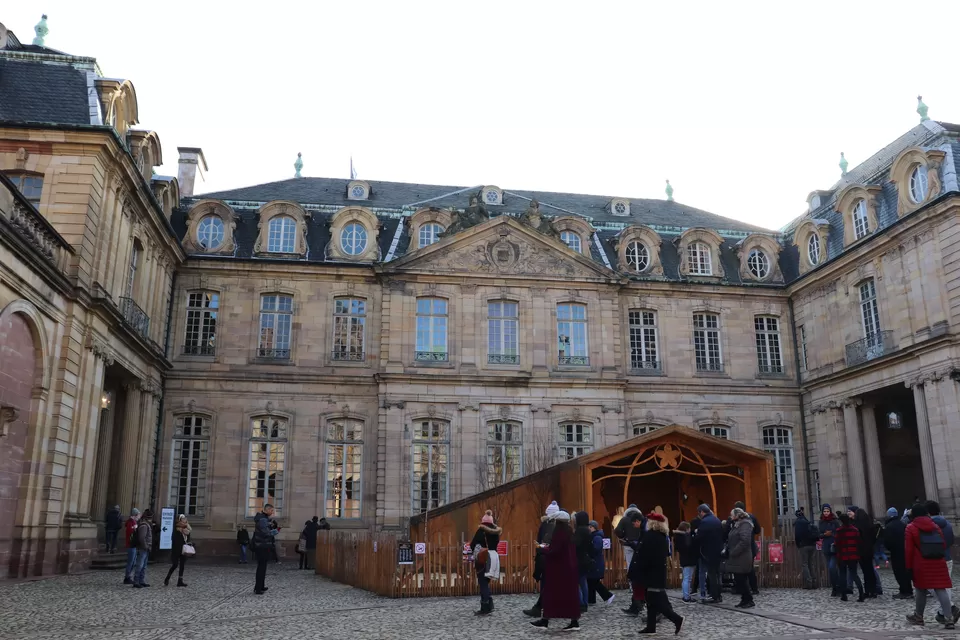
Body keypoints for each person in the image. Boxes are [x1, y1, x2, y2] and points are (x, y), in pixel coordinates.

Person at [904, 502, 958, 628]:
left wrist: (908, 567)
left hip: (921, 563)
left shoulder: (911, 527)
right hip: (938, 561)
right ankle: (949, 618)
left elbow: (909, 550)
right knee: (940, 589)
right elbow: (943, 544)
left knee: (920, 589)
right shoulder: (935, 526)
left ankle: (918, 616)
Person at [531, 510, 581, 631]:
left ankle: (546, 620)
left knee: (551, 594)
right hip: (568, 568)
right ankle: (572, 620)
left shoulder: (560, 533)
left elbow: (555, 550)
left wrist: (541, 549)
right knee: (568, 596)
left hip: (558, 570)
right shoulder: (569, 532)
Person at [636, 512, 684, 634]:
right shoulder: (662, 536)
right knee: (650, 601)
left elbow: (645, 555)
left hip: (650, 572)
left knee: (655, 601)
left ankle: (677, 619)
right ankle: (651, 626)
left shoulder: (650, 536)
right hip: (657, 572)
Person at [524, 501, 561, 618]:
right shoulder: (558, 525)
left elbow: (545, 543)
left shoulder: (548, 525)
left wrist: (540, 549)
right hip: (553, 558)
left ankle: (542, 608)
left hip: (548, 558)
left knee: (547, 584)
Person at [470, 510, 502, 616]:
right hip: (494, 557)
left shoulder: (481, 531)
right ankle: (489, 604)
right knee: (487, 581)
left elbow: (473, 544)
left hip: (483, 558)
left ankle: (486, 606)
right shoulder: (496, 532)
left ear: (483, 522)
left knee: (482, 582)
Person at [725, 508, 756, 608]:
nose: (730, 516)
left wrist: (734, 551)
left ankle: (749, 599)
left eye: (732, 514)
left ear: (737, 515)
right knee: (739, 579)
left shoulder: (745, 524)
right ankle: (744, 599)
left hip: (742, 556)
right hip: (737, 556)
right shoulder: (737, 524)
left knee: (741, 579)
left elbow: (745, 541)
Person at [694, 504, 723, 604]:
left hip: (708, 552)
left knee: (711, 574)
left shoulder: (705, 522)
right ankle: (719, 595)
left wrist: (696, 533)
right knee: (717, 573)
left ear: (702, 512)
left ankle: (714, 595)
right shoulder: (717, 520)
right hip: (718, 551)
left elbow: (699, 537)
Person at [834, 512, 865, 602]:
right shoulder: (855, 530)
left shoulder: (839, 531)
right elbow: (859, 542)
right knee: (854, 575)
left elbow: (837, 544)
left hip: (842, 555)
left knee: (843, 575)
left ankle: (844, 595)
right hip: (853, 555)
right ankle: (861, 594)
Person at [621, 511, 648, 616]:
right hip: (641, 562)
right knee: (639, 586)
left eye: (634, 523)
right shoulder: (644, 529)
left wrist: (632, 544)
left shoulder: (645, 530)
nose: (633, 526)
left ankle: (637, 608)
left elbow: (643, 547)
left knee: (641, 587)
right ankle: (635, 607)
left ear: (638, 521)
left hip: (642, 563)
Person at [882, 507, 911, 599]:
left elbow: (887, 541)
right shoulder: (902, 524)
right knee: (905, 572)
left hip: (896, 552)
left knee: (899, 573)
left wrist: (889, 548)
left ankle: (904, 591)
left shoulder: (889, 526)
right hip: (905, 551)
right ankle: (908, 590)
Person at [252, 504, 279, 595]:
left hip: (262, 545)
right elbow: (266, 533)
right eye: (271, 511)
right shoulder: (263, 519)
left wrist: (272, 525)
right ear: (267, 510)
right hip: (262, 545)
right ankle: (258, 588)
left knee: (262, 567)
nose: (272, 513)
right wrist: (277, 530)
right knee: (261, 567)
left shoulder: (263, 519)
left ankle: (260, 586)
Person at [587, 520, 614, 606]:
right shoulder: (594, 536)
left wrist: (588, 551)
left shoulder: (597, 537)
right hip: (595, 562)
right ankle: (591, 600)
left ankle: (608, 595)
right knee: (591, 580)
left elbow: (596, 549)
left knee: (594, 581)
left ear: (593, 527)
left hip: (596, 563)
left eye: (590, 527)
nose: (588, 528)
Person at [852, 507, 878, 597]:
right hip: (869, 550)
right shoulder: (870, 525)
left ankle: (867, 590)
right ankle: (873, 590)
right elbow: (874, 538)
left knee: (865, 572)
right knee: (870, 570)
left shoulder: (856, 526)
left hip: (861, 550)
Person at [818, 504, 842, 596]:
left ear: (830, 511)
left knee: (833, 567)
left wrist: (832, 534)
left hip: (835, 546)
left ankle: (838, 586)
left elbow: (839, 532)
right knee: (830, 569)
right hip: (826, 547)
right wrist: (824, 535)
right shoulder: (821, 522)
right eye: (824, 511)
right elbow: (819, 534)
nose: (826, 513)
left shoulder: (835, 521)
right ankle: (834, 588)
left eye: (827, 511)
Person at [573, 510, 593, 613]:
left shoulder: (580, 530)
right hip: (585, 559)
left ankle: (581, 603)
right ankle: (584, 603)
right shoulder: (587, 530)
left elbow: (575, 544)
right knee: (583, 582)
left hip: (579, 559)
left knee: (576, 582)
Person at [673, 521, 698, 602]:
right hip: (689, 559)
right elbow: (689, 547)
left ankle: (686, 595)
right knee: (687, 578)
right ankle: (686, 597)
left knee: (686, 578)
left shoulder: (678, 536)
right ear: (687, 528)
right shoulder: (686, 537)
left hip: (684, 558)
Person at [794, 508, 819, 589]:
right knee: (811, 564)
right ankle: (814, 582)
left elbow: (797, 536)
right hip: (812, 544)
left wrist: (798, 545)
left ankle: (809, 583)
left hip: (804, 545)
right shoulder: (807, 521)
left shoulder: (798, 523)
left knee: (805, 564)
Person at [165, 514, 191, 587]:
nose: (184, 519)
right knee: (175, 565)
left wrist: (188, 543)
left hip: (184, 549)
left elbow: (188, 538)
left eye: (185, 518)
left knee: (182, 565)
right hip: (177, 549)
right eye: (182, 518)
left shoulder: (187, 528)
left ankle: (180, 581)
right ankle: (167, 578)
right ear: (180, 520)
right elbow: (174, 539)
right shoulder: (177, 528)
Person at [614, 503, 643, 569]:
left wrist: (622, 536)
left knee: (629, 562)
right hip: (640, 544)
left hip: (628, 543)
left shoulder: (624, 519)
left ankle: (631, 578)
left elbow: (617, 530)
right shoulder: (641, 519)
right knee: (639, 562)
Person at [132, 509, 153, 588]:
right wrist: (146, 546)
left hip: (146, 548)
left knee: (144, 565)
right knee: (140, 565)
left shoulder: (146, 524)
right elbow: (142, 538)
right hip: (143, 548)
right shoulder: (144, 525)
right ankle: (136, 581)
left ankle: (141, 580)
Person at [123, 508, 140, 584]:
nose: (139, 516)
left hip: (133, 544)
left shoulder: (134, 521)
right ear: (135, 515)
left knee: (133, 562)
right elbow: (130, 531)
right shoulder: (131, 522)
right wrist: (135, 528)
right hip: (131, 544)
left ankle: (128, 576)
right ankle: (127, 577)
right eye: (138, 514)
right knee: (131, 562)